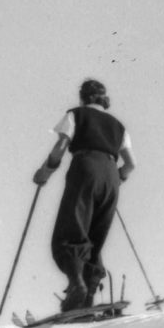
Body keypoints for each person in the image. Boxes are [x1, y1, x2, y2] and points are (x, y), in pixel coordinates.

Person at [33, 79, 136, 311]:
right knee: (95, 237)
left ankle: (77, 284)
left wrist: (45, 172)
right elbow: (131, 164)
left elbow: (60, 147)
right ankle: (87, 297)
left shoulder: (75, 115)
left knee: (71, 230)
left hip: (85, 168)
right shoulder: (119, 127)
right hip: (111, 176)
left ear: (82, 98)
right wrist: (115, 179)